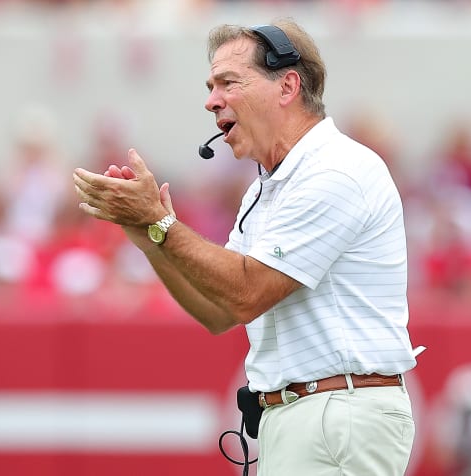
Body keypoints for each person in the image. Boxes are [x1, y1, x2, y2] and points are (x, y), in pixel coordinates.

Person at [73, 18, 418, 475]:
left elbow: (245, 292)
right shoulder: (268, 188)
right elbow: (219, 311)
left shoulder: (337, 170)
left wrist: (159, 221)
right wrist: (147, 236)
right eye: (211, 85)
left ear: (287, 85)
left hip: (337, 411)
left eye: (228, 82)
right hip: (308, 412)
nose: (211, 99)